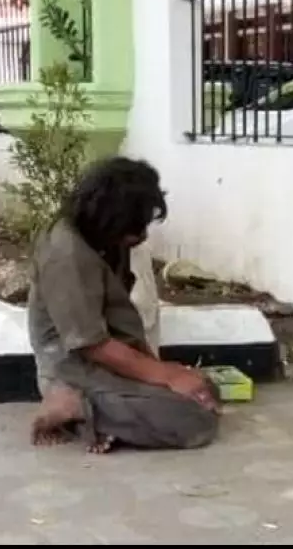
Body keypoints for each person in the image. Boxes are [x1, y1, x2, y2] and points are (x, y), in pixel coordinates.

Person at [27, 157, 221, 454]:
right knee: (193, 420)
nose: (142, 236)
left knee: (204, 389)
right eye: (137, 226)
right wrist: (167, 376)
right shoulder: (66, 254)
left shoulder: (103, 239)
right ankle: (73, 405)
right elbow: (92, 345)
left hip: (109, 361)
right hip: (73, 368)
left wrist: (166, 373)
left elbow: (119, 326)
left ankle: (105, 419)